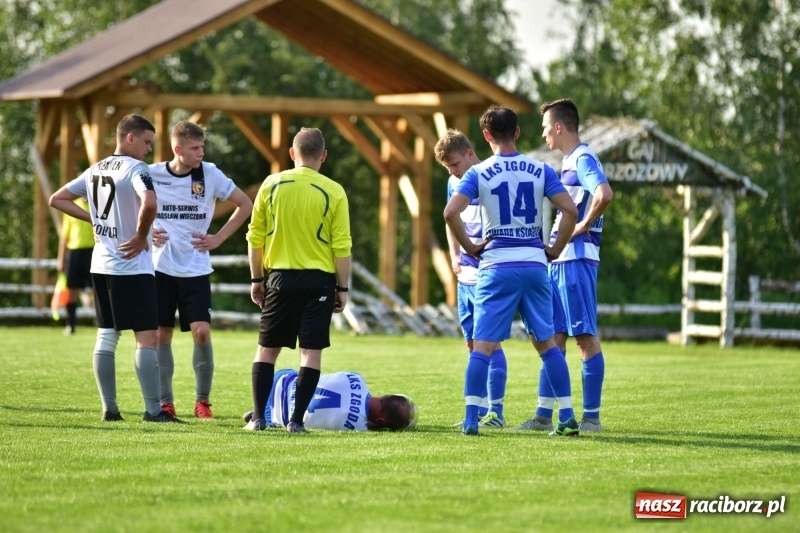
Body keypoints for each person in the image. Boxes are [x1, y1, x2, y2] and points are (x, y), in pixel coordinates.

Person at [443, 105, 580, 436]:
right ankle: (568, 417)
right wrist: (555, 248)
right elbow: (571, 210)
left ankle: (472, 419)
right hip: (534, 264)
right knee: (547, 345)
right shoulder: (542, 169)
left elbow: (450, 213)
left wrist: (471, 247)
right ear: (517, 132)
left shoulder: (478, 173)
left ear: (487, 136)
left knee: (482, 346)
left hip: (497, 266)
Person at [49, 113, 181, 423]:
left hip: (101, 262)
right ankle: (152, 410)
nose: (149, 149)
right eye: (147, 142)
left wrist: (94, 220)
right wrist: (139, 235)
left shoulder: (95, 169)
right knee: (147, 338)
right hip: (131, 266)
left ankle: (109, 408)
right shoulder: (136, 169)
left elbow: (59, 199)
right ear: (130, 137)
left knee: (106, 335)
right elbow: (149, 202)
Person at [244, 127, 352, 433]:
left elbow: (255, 237)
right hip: (319, 281)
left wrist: (256, 279)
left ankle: (259, 419)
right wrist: (342, 287)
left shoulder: (271, 184)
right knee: (310, 352)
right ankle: (295, 421)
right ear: (324, 156)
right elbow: (341, 246)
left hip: (279, 278)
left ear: (292, 153)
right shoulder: (334, 191)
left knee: (267, 349)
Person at [517, 98, 614, 434]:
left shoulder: (584, 158)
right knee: (552, 337)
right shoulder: (571, 161)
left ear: (559, 127)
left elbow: (604, 193)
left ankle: (591, 419)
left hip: (576, 260)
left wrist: (583, 225)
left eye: (545, 128)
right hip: (561, 260)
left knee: (583, 337)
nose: (544, 134)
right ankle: (543, 417)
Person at [149, 120, 253, 419]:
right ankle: (165, 402)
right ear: (177, 149)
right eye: (194, 148)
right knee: (161, 336)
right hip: (160, 268)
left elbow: (244, 204)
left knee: (202, 333)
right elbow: (125, 206)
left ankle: (202, 401)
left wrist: (219, 238)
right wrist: (145, 233)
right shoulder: (152, 174)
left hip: (195, 269)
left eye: (202, 147)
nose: (200, 153)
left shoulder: (209, 174)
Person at [435, 129, 508, 428]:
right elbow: (451, 221)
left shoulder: (488, 175)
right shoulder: (454, 182)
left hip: (488, 272)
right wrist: (454, 255)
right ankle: (477, 409)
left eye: (454, 163)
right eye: (448, 167)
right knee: (471, 344)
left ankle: (496, 412)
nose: (453, 171)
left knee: (489, 343)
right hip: (464, 272)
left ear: (468, 152)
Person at [241, 369, 418, 431]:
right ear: (380, 421)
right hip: (275, 417)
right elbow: (370, 422)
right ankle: (259, 411)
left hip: (278, 382)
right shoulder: (359, 426)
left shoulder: (356, 378)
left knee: (299, 374)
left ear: (385, 395)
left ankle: (259, 406)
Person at [56, 198, 94, 335]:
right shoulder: (72, 206)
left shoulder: (98, 205)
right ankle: (70, 325)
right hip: (74, 253)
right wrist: (61, 258)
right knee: (71, 290)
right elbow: (64, 236)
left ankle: (104, 324)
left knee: (99, 288)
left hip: (92, 251)